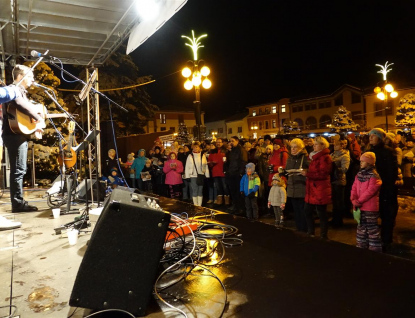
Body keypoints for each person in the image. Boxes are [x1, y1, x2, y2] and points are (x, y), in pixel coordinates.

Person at [2, 64, 44, 212]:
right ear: (20, 77)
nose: (33, 80)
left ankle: (18, 202)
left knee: (19, 169)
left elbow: (25, 108)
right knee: (18, 170)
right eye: (30, 77)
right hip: (14, 135)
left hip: (16, 134)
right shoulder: (14, 90)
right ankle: (18, 204)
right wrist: (38, 118)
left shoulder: (20, 91)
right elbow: (21, 105)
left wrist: (35, 117)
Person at [368, 128, 398, 250]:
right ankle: (375, 238)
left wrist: (387, 186)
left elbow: (391, 172)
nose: (370, 138)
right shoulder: (370, 151)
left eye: (373, 136)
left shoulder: (388, 152)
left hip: (385, 188)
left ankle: (386, 239)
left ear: (379, 138)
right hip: (372, 188)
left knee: (386, 214)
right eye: (369, 136)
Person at [350, 152, 383, 252]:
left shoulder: (374, 176)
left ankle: (374, 250)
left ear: (369, 163)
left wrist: (359, 201)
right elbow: (354, 187)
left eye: (363, 161)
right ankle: (361, 247)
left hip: (370, 208)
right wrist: (353, 199)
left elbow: (370, 191)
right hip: (360, 207)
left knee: (372, 229)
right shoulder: (359, 174)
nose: (361, 162)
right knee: (361, 227)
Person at [302, 136, 332, 239]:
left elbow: (323, 174)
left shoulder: (325, 157)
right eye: (313, 144)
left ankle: (323, 235)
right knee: (307, 210)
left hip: (320, 189)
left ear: (322, 145)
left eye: (316, 144)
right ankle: (311, 232)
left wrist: (307, 174)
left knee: (321, 213)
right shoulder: (313, 157)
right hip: (312, 189)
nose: (313, 146)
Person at [285, 138, 309, 232]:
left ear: (300, 148)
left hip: (302, 186)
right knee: (296, 210)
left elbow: (310, 169)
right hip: (292, 186)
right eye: (292, 147)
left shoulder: (305, 157)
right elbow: (287, 169)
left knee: (302, 210)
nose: (293, 149)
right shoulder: (290, 158)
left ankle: (304, 229)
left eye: (295, 147)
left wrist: (305, 172)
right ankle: (299, 229)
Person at [224, 136, 248, 213]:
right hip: (231, 173)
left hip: (237, 174)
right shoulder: (231, 151)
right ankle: (235, 205)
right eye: (230, 141)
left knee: (239, 191)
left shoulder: (241, 150)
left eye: (233, 141)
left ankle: (240, 207)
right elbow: (229, 162)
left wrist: (240, 173)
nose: (231, 142)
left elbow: (243, 161)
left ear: (237, 141)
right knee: (233, 191)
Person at [330, 139, 350, 227]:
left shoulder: (345, 156)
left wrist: (334, 167)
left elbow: (345, 169)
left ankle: (339, 220)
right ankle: (335, 218)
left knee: (339, 201)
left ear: (342, 146)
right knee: (334, 201)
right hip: (332, 180)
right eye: (334, 145)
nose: (335, 146)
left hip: (339, 180)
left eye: (337, 145)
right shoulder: (332, 154)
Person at [185, 142, 209, 206]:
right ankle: (195, 205)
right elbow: (187, 166)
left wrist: (207, 174)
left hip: (201, 175)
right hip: (193, 175)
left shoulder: (202, 155)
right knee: (194, 190)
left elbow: (205, 165)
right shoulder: (190, 156)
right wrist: (187, 176)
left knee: (200, 190)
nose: (195, 148)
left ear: (199, 148)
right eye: (194, 147)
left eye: (197, 147)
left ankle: (199, 205)